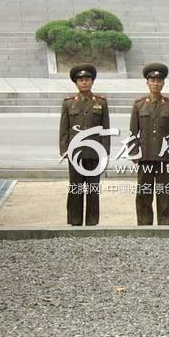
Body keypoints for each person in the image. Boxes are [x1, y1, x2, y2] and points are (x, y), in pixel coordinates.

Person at [129, 63, 169, 225]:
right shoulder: (139, 104)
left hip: (164, 156)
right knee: (144, 191)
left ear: (163, 83)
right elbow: (133, 131)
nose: (156, 83)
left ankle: (164, 223)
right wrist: (134, 151)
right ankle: (144, 223)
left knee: (164, 191)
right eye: (152, 80)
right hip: (145, 155)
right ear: (147, 83)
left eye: (159, 80)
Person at [59, 64, 110, 226]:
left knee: (93, 188)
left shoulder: (101, 102)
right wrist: (64, 149)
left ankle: (92, 221)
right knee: (76, 187)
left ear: (92, 81)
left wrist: (105, 151)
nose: (84, 82)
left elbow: (105, 129)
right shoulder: (68, 103)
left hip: (95, 153)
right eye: (81, 80)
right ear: (76, 82)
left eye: (87, 79)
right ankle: (74, 220)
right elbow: (64, 128)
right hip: (76, 153)